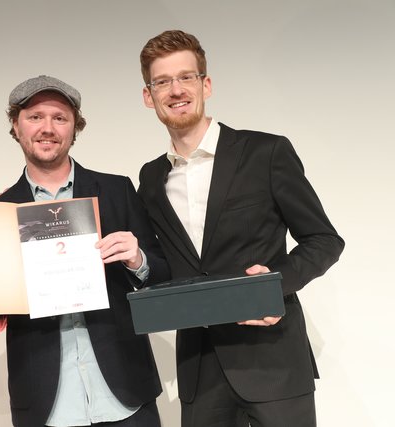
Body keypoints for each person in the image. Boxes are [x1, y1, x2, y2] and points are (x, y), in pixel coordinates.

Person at [0, 75, 170, 427]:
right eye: (35, 117)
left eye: (60, 118)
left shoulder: (117, 190)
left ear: (75, 128)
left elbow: (163, 280)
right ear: (16, 125)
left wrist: (139, 259)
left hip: (126, 394)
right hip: (46, 403)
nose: (48, 128)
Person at [136, 30, 345, 427]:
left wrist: (275, 283)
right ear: (149, 96)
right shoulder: (150, 178)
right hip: (199, 372)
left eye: (186, 77)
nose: (175, 90)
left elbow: (324, 239)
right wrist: (138, 260)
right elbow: (166, 265)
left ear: (206, 84)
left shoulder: (266, 152)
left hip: (275, 364)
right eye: (162, 81)